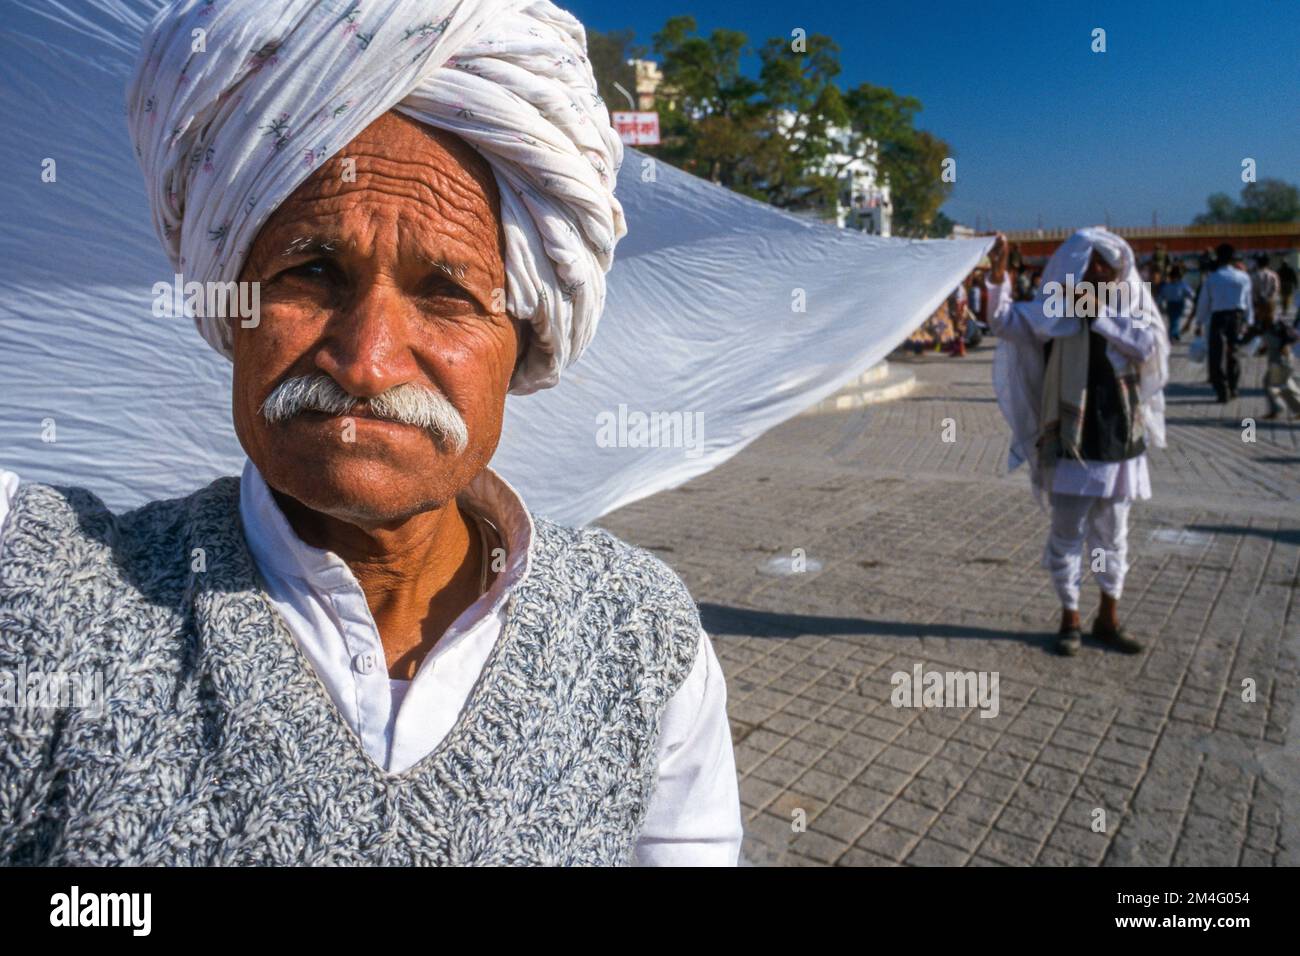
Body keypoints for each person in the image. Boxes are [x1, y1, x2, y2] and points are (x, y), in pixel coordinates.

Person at [0, 0, 742, 867]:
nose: (366, 359)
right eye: (311, 270)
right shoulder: (44, 597)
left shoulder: (642, 641)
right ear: (231, 307)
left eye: (446, 293)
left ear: (524, 342)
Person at [985, 228, 1169, 657]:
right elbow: (1004, 322)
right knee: (1066, 534)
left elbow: (1149, 346)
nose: (1100, 270)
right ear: (1075, 267)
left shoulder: (1132, 307)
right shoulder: (1054, 310)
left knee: (1112, 536)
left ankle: (1108, 616)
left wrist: (1095, 312)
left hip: (1118, 441)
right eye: (1091, 263)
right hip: (1070, 441)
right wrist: (998, 276)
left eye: (1107, 263)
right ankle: (1069, 617)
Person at [1193, 243, 1255, 402]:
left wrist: (1199, 322)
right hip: (1237, 317)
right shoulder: (1243, 277)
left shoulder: (1212, 278)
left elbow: (1204, 303)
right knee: (1233, 353)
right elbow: (1248, 301)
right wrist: (1249, 321)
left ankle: (1222, 390)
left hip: (1218, 317)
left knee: (1216, 355)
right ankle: (1234, 387)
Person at [1241, 310, 1300, 420]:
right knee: (1279, 384)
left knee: (1278, 385)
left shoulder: (1272, 325)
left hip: (1281, 360)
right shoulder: (1270, 323)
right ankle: (1277, 409)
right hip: (1278, 359)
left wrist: (1284, 346)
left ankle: (1277, 409)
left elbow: (1293, 337)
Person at [1157, 265, 1193, 341]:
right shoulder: (1168, 286)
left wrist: (1192, 298)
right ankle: (1174, 334)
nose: (1174, 278)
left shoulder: (1181, 285)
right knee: (1173, 320)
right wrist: (1159, 304)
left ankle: (1173, 334)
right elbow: (1161, 296)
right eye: (1173, 277)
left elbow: (1190, 293)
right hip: (1170, 304)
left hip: (1179, 304)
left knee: (1175, 319)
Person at [1251, 253, 1282, 331]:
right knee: (1269, 322)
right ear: (1268, 263)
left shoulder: (1254, 275)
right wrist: (1270, 297)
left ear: (1258, 263)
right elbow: (1276, 289)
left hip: (1258, 302)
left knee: (1257, 322)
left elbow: (1252, 290)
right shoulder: (1273, 275)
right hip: (1270, 302)